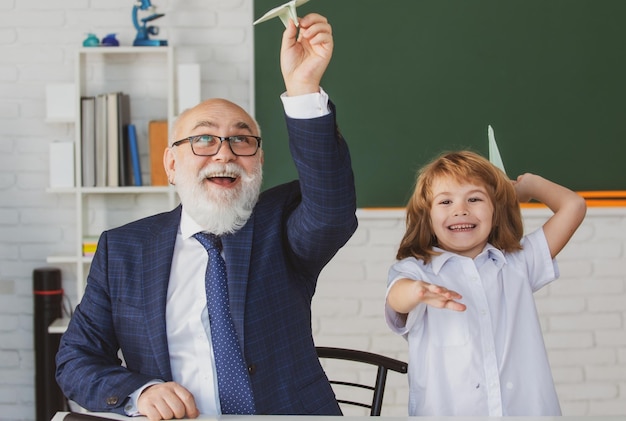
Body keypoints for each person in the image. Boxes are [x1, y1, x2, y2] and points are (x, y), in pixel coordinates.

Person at [56, 13, 357, 420]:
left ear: (259, 161)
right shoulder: (122, 249)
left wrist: (303, 88)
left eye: (241, 139)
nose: (225, 152)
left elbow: (331, 210)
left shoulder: (280, 224)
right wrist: (139, 392)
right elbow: (76, 360)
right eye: (203, 138)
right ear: (171, 163)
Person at [385, 150, 586, 416]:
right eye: (445, 202)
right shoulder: (417, 271)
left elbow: (574, 206)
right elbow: (396, 296)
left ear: (495, 210)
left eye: (475, 199)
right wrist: (417, 291)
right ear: (428, 217)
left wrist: (530, 186)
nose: (461, 210)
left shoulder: (518, 263)